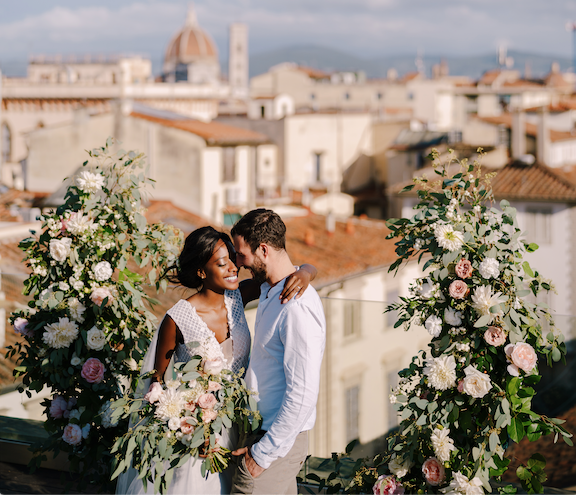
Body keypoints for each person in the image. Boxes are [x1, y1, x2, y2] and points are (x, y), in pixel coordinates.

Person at [117, 226, 317, 495]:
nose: (234, 268)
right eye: (223, 264)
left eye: (234, 261)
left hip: (240, 428)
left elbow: (283, 273)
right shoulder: (176, 320)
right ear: (201, 271)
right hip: (195, 438)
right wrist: (188, 428)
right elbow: (156, 388)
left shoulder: (239, 296)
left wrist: (306, 272)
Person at [230, 209, 326, 495]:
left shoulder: (295, 307)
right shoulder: (271, 289)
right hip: (262, 434)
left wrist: (262, 455)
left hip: (275, 441)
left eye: (241, 254)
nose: (237, 262)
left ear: (263, 250)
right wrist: (307, 269)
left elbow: (304, 393)